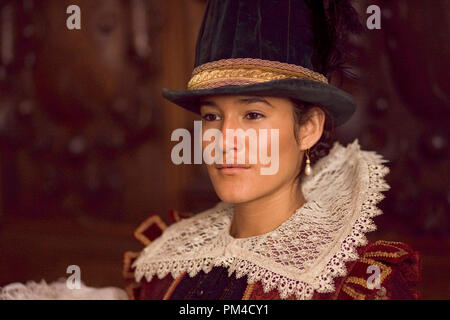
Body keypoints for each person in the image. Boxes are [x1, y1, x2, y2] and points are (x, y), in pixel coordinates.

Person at [0, 0, 421, 300]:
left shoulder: (355, 283)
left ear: (308, 128)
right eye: (213, 116)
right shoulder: (168, 262)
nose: (225, 139)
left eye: (253, 115)